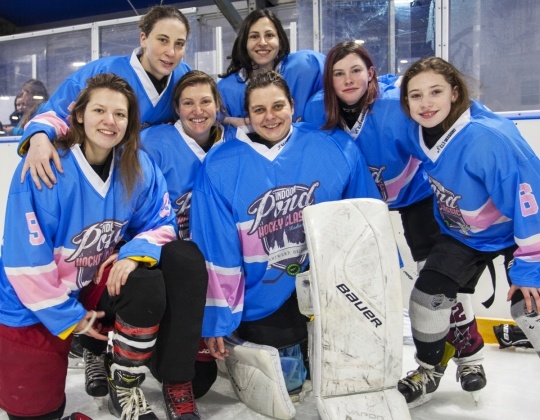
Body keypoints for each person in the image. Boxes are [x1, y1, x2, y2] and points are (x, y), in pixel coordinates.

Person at [304, 41, 487, 401]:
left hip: (418, 198)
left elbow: (456, 129)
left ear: (370, 72)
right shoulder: (316, 110)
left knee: (439, 279)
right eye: (338, 74)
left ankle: (470, 354)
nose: (348, 79)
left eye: (356, 70)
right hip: (358, 205)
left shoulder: (393, 105)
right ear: (329, 80)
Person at [190, 70, 380, 402]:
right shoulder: (219, 165)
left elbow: (365, 221)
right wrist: (218, 320)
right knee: (288, 384)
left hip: (327, 286)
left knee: (344, 374)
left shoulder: (333, 147)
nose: (270, 117)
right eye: (259, 110)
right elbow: (216, 252)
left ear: (292, 105)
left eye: (278, 106)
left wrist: (374, 284)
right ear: (247, 115)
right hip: (262, 294)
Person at [0, 73, 178, 420]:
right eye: (99, 110)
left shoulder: (137, 167)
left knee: (146, 281)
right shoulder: (45, 166)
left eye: (120, 114)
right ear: (78, 115)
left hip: (88, 286)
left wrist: (132, 253)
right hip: (30, 305)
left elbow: (161, 221)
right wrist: (72, 319)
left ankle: (123, 382)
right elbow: (25, 264)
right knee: (38, 412)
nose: (110, 121)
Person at [396, 56, 540, 406]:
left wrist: (530, 268)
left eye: (436, 92)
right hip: (464, 235)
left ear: (455, 93)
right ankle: (429, 369)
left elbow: (530, 199)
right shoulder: (419, 132)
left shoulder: (489, 138)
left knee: (530, 307)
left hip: (516, 236)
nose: (426, 103)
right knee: (426, 300)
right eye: (416, 95)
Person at [17, 5, 192, 190]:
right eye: (163, 40)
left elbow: (203, 116)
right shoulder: (101, 72)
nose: (171, 52)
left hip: (153, 182)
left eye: (179, 43)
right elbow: (55, 113)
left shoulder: (184, 76)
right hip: (102, 180)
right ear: (144, 38)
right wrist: (39, 136)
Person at [140, 69, 225, 399]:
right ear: (176, 108)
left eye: (205, 101)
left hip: (215, 257)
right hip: (167, 255)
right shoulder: (155, 143)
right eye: (188, 103)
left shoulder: (230, 145)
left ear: (218, 105)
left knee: (203, 381)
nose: (197, 110)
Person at [217, 8, 325, 130]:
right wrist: (227, 120)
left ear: (281, 41)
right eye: (254, 36)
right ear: (244, 43)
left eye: (269, 35)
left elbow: (340, 83)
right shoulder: (225, 89)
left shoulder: (307, 66)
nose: (262, 42)